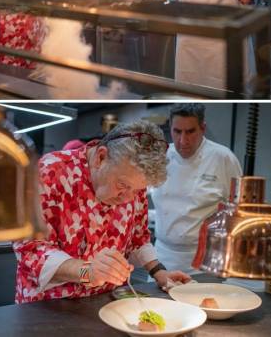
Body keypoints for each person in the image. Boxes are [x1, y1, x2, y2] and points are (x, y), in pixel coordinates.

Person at [13, 120, 191, 303]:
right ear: (101, 157)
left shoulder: (133, 184)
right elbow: (31, 249)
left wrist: (159, 272)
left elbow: (138, 238)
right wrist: (86, 271)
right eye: (122, 185)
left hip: (107, 302)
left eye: (137, 191)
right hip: (47, 307)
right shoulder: (51, 171)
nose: (129, 198)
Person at [150, 104, 242, 274]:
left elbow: (239, 208)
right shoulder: (160, 156)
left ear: (203, 128)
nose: (183, 141)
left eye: (190, 132)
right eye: (177, 132)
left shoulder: (223, 158)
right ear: (170, 128)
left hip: (203, 259)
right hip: (161, 257)